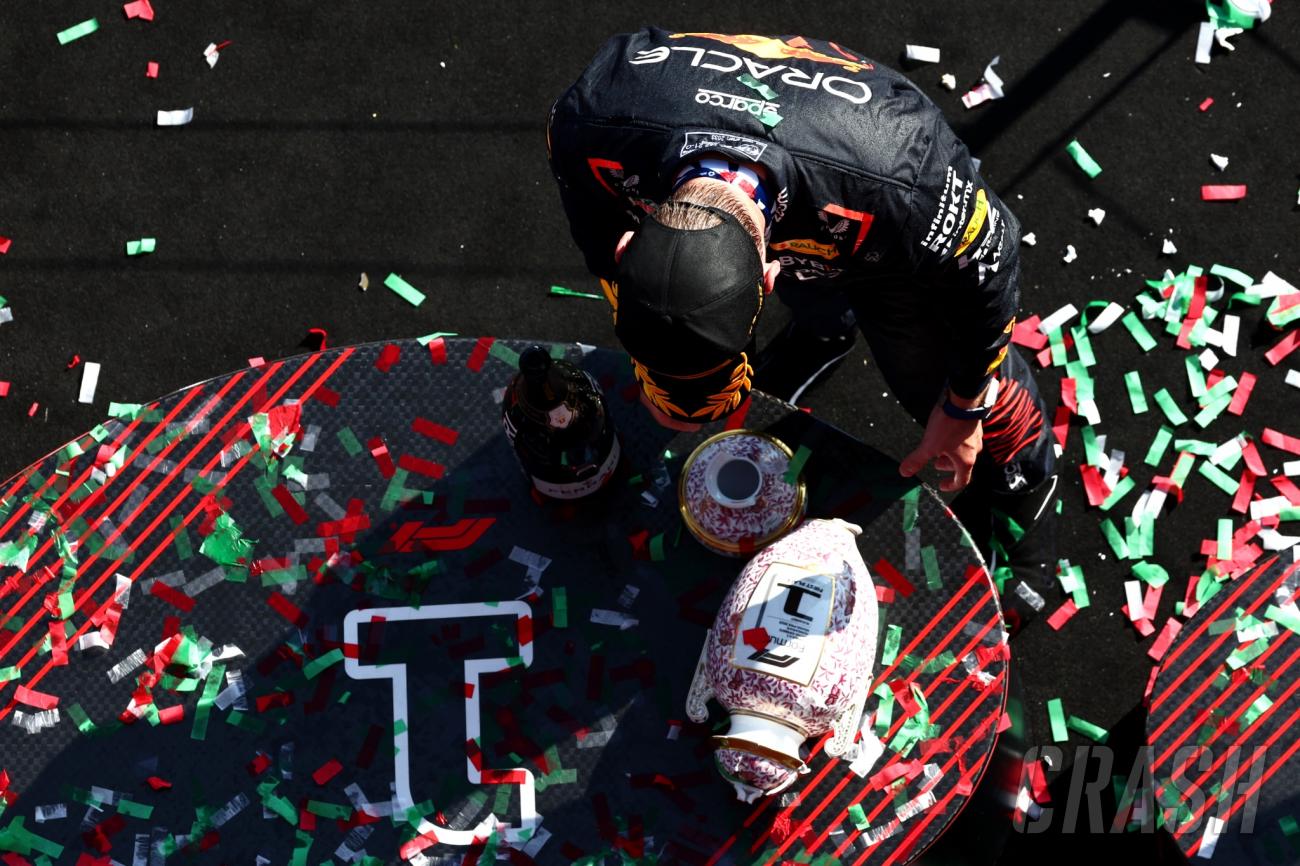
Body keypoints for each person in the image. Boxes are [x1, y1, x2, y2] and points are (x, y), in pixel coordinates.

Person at [546, 28, 1058, 626]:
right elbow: (600, 238)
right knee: (805, 302)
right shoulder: (588, 121)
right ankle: (823, 332)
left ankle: (1031, 544)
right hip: (796, 207)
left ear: (768, 277)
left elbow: (993, 259)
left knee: (951, 390)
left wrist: (966, 402)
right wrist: (665, 371)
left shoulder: (907, 181)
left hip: (874, 214)